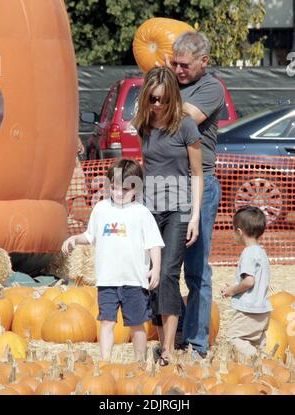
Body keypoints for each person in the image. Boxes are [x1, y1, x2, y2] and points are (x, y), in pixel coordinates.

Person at [133, 66, 203, 365]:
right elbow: (147, 167)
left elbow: (197, 174)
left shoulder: (186, 127)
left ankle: (169, 350)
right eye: (152, 100)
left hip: (179, 209)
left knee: (168, 274)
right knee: (151, 277)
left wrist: (195, 217)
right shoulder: (144, 126)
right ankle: (162, 343)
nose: (157, 105)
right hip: (150, 212)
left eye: (162, 100)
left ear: (172, 98)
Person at [62, 158, 164, 361]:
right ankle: (105, 362)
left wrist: (156, 269)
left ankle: (139, 362)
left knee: (137, 324)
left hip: (134, 280)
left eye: (125, 190)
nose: (119, 193)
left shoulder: (141, 213)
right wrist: (75, 238)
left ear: (136, 188)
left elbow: (154, 243)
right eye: (115, 188)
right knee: (107, 322)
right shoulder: (100, 209)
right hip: (107, 280)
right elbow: (90, 236)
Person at [168, 32, 225, 358]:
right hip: (166, 183)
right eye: (173, 64)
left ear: (204, 61)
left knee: (197, 270)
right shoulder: (172, 83)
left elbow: (185, 117)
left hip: (197, 185)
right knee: (166, 268)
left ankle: (197, 344)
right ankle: (174, 334)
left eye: (184, 64)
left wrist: (161, 93)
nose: (178, 70)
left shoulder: (211, 88)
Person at [220, 206, 272, 358]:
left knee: (233, 338)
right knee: (258, 341)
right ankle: (267, 366)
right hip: (263, 309)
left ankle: (257, 358)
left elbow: (249, 281)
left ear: (239, 232)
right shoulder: (261, 252)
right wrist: (235, 286)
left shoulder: (248, 253)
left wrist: (232, 291)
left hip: (249, 310)